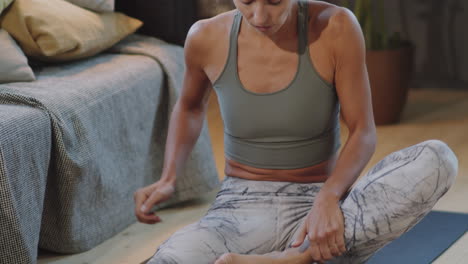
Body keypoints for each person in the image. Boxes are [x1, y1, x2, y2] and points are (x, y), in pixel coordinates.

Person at [133, 0, 459, 263]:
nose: (260, 15)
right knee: (171, 258)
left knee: (438, 158)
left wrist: (329, 198)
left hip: (320, 207)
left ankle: (295, 259)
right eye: (247, 1)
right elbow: (190, 106)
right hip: (238, 209)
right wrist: (169, 177)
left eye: (274, 1)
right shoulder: (204, 37)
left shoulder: (337, 26)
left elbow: (363, 130)